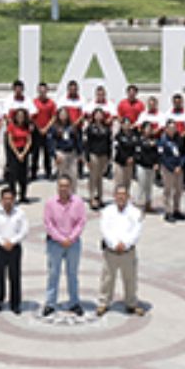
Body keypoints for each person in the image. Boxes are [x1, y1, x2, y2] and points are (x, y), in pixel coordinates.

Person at [97, 186, 145, 316]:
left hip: (127, 251)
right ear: (114, 196)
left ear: (128, 196)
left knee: (130, 278)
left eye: (124, 194)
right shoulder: (107, 211)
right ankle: (104, 302)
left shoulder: (135, 212)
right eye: (118, 194)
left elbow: (137, 231)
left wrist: (125, 244)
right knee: (107, 278)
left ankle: (131, 303)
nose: (121, 197)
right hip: (110, 251)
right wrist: (113, 244)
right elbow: (104, 229)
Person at [43, 177, 86, 317]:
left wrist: (71, 238)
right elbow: (48, 224)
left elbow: (81, 222)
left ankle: (74, 302)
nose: (63, 189)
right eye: (61, 186)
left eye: (66, 186)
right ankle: (50, 303)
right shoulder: (50, 203)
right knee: (53, 274)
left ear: (71, 187)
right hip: (55, 244)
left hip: (73, 244)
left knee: (72, 274)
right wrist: (61, 239)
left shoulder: (78, 202)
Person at [0, 187, 28, 314]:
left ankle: (15, 303)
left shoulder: (20, 213)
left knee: (15, 275)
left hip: (14, 247)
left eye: (10, 199)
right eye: (5, 199)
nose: (7, 201)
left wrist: (13, 241)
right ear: (1, 199)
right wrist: (2, 242)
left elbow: (24, 230)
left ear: (14, 199)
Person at [84, 109, 113, 210]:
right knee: (93, 176)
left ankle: (100, 197)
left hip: (103, 155)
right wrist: (87, 157)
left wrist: (109, 157)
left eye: (100, 114)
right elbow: (87, 144)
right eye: (97, 114)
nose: (99, 116)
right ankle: (92, 197)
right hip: (93, 154)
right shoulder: (90, 128)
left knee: (100, 177)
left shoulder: (107, 129)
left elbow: (109, 143)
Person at [157, 123, 185, 222]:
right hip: (167, 169)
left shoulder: (180, 139)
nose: (172, 130)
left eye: (174, 128)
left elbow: (184, 154)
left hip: (179, 169)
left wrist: (180, 166)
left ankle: (176, 210)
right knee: (168, 191)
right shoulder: (163, 140)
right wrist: (171, 167)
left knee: (178, 190)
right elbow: (161, 156)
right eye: (170, 128)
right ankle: (168, 211)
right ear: (166, 129)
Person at [47, 108, 82, 187]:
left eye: (65, 114)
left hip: (72, 154)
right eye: (61, 114)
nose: (63, 116)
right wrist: (54, 154)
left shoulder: (72, 127)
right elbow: (51, 142)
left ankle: (73, 196)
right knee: (62, 176)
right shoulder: (54, 127)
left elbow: (78, 140)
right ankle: (62, 196)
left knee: (73, 175)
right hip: (61, 153)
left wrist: (80, 153)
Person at [30, 83, 57, 180]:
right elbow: (32, 117)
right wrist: (39, 128)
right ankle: (33, 173)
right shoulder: (34, 102)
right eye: (40, 91)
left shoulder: (51, 103)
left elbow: (54, 117)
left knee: (47, 153)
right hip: (36, 131)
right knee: (35, 153)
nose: (42, 92)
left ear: (47, 91)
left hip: (47, 130)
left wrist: (46, 128)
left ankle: (48, 172)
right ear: (38, 91)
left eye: (44, 91)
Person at [6, 108, 33, 203]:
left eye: (22, 116)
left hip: (24, 151)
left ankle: (23, 196)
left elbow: (29, 140)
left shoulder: (27, 127)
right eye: (18, 116)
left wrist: (24, 153)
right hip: (14, 152)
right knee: (13, 175)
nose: (20, 118)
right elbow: (10, 140)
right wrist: (17, 154)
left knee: (23, 175)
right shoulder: (11, 126)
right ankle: (12, 196)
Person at [134, 120, 159, 214]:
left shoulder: (154, 140)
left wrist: (156, 163)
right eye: (147, 128)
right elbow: (138, 153)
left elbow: (157, 153)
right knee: (141, 186)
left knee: (149, 186)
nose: (148, 130)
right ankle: (138, 204)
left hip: (151, 167)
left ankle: (148, 204)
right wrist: (148, 146)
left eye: (150, 128)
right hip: (142, 166)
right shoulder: (139, 140)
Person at [112, 119, 139, 192]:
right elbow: (118, 149)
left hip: (130, 163)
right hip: (120, 162)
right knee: (119, 183)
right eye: (125, 124)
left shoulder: (134, 136)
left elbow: (136, 148)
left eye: (128, 124)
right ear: (122, 125)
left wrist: (133, 158)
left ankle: (126, 199)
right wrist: (125, 158)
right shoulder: (118, 136)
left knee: (127, 183)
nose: (126, 126)